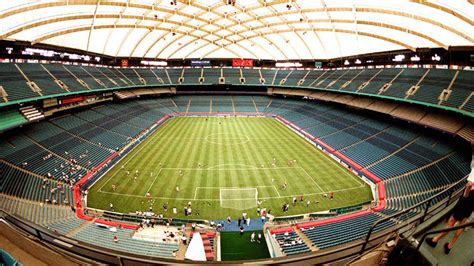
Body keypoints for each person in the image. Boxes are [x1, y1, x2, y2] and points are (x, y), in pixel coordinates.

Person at [426, 174, 473, 254]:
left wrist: (465, 195)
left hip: (468, 198)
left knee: (452, 221)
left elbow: (470, 184)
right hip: (472, 204)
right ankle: (449, 246)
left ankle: (435, 240)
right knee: (462, 223)